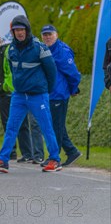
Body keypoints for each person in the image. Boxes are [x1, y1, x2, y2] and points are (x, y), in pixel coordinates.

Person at [0, 15, 61, 173]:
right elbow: (13, 71)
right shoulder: (11, 49)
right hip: (18, 95)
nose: (19, 33)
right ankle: (3, 160)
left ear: (27, 30)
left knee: (46, 127)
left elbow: (52, 72)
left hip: (38, 95)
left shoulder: (40, 48)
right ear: (12, 32)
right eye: (16, 30)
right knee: (11, 127)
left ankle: (54, 159)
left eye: (21, 29)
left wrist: (46, 91)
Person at [0, 30, 34, 162]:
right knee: (8, 123)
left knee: (20, 123)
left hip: (11, 92)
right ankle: (13, 151)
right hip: (3, 93)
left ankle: (26, 152)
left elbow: (9, 72)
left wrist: (6, 88)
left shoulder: (6, 51)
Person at [41, 24, 82, 167]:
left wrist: (72, 90)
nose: (47, 37)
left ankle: (54, 157)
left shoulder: (62, 51)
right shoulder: (43, 49)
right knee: (56, 126)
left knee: (55, 127)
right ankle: (72, 151)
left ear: (56, 35)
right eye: (45, 35)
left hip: (58, 94)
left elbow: (74, 74)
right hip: (48, 94)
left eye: (50, 34)